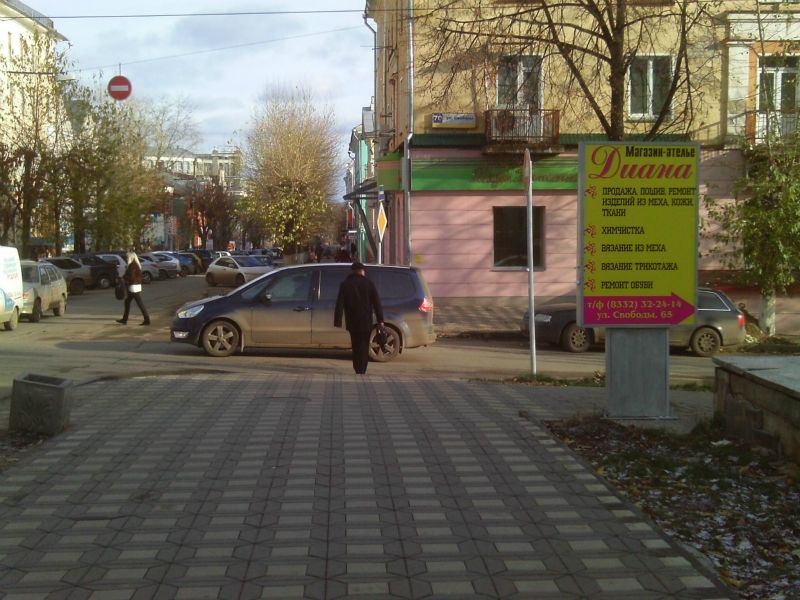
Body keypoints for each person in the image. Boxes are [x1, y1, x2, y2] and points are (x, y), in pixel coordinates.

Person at [334, 262, 384, 374]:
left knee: (355, 345)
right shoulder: (369, 284)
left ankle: (357, 367)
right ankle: (362, 368)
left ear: (353, 271)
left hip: (352, 321)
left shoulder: (345, 284)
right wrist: (380, 320)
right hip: (366, 321)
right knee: (364, 345)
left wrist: (338, 320)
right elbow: (377, 303)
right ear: (362, 271)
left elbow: (339, 303)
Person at [117, 252, 151, 326]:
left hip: (133, 287)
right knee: (127, 302)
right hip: (135, 286)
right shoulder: (135, 265)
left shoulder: (132, 266)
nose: (126, 259)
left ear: (131, 258)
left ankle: (147, 320)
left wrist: (123, 279)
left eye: (127, 257)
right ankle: (125, 319)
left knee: (139, 304)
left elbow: (131, 277)